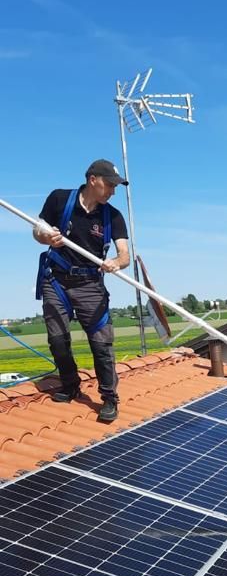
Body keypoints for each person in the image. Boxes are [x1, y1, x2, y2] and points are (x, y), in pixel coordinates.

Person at [33, 160, 130, 423]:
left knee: (101, 344)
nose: (112, 190)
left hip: (90, 284)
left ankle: (109, 397)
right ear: (93, 179)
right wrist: (45, 238)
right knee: (58, 339)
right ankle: (70, 383)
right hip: (56, 279)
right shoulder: (59, 199)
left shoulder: (113, 217)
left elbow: (125, 255)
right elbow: (37, 231)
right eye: (109, 184)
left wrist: (116, 263)